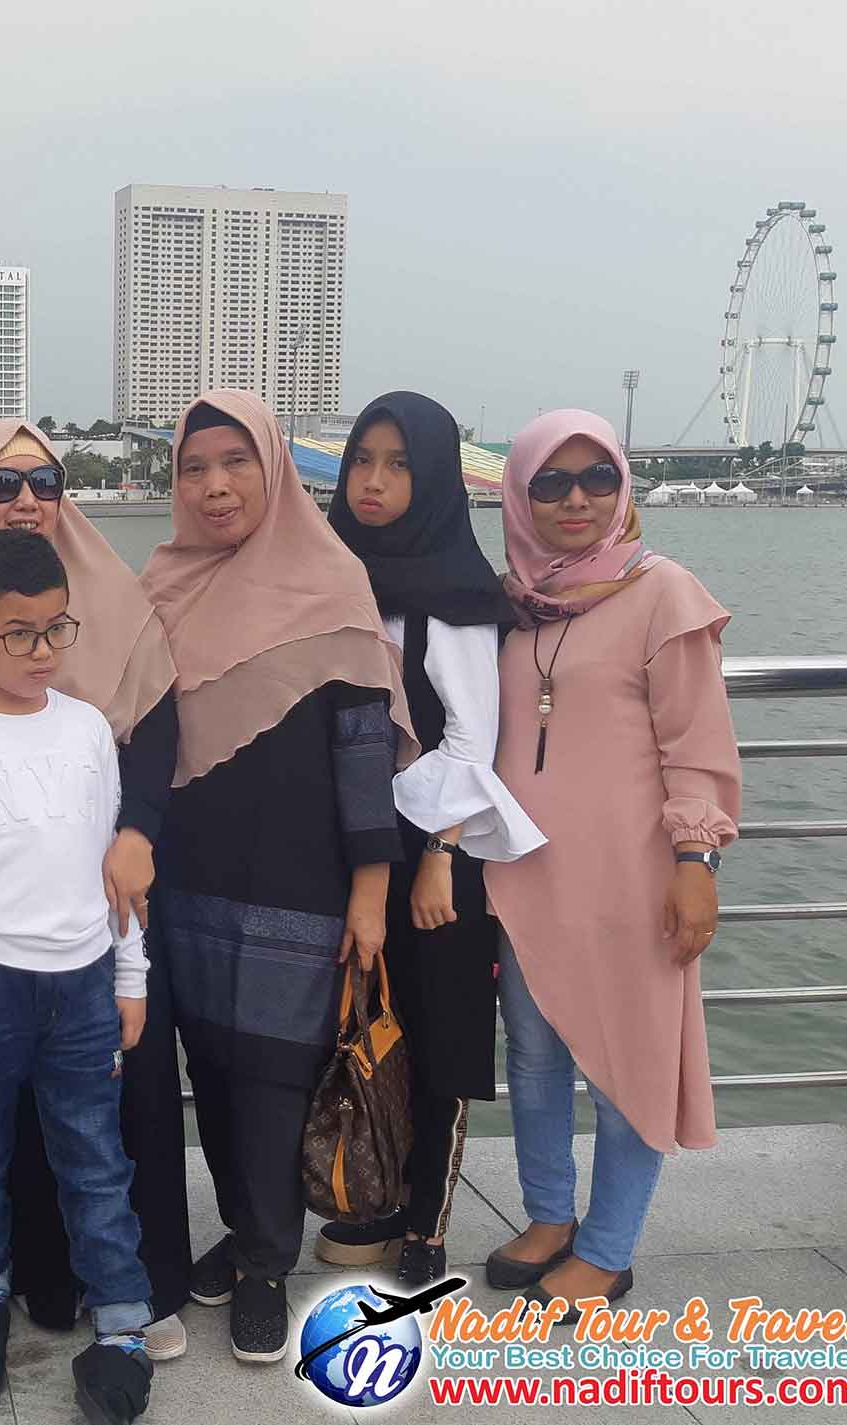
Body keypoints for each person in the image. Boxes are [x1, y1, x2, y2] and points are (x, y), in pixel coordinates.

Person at [0, 420, 189, 1358]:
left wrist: (131, 973)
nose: (44, 648)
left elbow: (114, 852)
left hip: (84, 971)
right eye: (2, 481)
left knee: (96, 1151)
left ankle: (123, 1314)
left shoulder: (88, 722)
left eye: (45, 480)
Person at [139, 390, 416, 1364]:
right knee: (210, 1068)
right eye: (193, 468)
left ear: (273, 469)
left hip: (298, 879)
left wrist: (371, 891)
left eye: (235, 463)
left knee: (272, 1077)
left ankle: (265, 1266)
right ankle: (242, 1229)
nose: (214, 486)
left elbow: (364, 746)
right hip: (184, 874)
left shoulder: (329, 581)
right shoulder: (161, 584)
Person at [479, 410, 740, 1318]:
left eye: (597, 477)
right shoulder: (514, 603)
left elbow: (697, 741)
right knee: (535, 1056)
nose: (576, 499)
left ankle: (609, 1247)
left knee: (629, 1061)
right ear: (520, 496)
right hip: (525, 877)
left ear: (623, 486)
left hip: (633, 880)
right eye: (551, 482)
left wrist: (696, 859)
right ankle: (550, 1215)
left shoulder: (663, 592)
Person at [318, 393, 547, 1285]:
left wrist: (440, 852)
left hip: (431, 850)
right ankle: (372, 1196)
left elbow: (470, 738)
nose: (372, 482)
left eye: (398, 464)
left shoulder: (452, 594)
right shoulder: (337, 574)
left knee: (440, 1029)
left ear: (438, 478)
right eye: (361, 461)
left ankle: (426, 1221)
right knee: (368, 1017)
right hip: (352, 842)